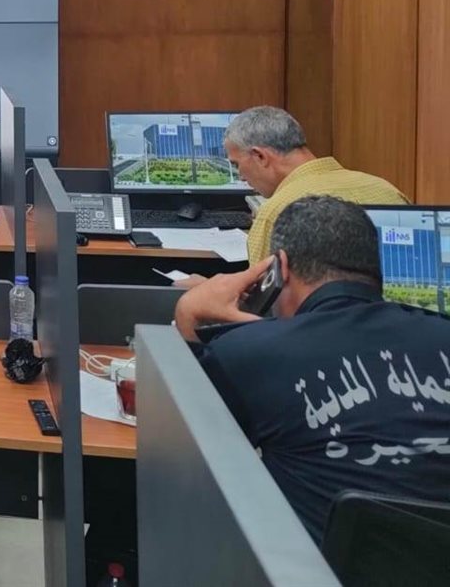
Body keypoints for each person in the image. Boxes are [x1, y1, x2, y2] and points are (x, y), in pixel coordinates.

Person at [174, 196, 450, 541]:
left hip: (315, 567)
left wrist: (188, 315)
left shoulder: (248, 353)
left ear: (279, 269)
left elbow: (184, 458)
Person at [224, 106, 408, 263]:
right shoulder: (387, 189)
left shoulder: (277, 211)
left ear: (260, 156)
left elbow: (262, 292)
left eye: (237, 165)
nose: (241, 177)